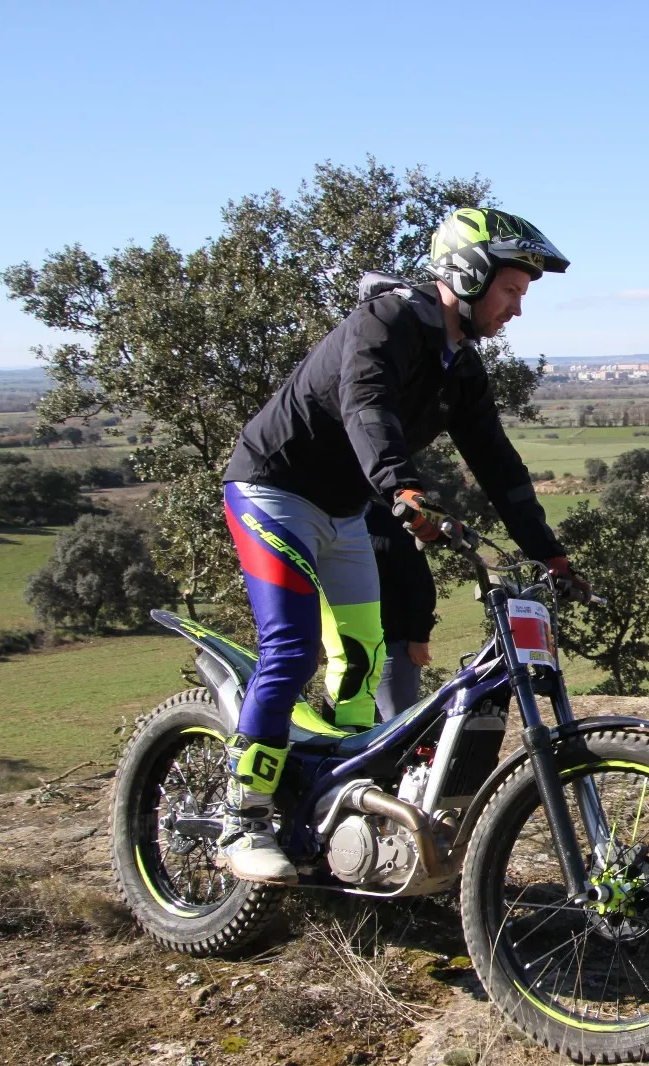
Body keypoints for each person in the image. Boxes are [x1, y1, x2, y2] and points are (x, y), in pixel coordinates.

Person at [217, 207, 589, 884]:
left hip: (345, 509)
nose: (516, 310)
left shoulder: (462, 370)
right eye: (511, 291)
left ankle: (334, 815)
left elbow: (500, 469)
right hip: (271, 489)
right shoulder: (384, 323)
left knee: (359, 659)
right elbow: (367, 409)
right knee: (293, 647)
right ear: (469, 274)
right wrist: (404, 490)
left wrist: (549, 553)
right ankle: (245, 820)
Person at [368, 503, 435, 720]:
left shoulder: (388, 522)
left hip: (393, 649)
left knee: (396, 727)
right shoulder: (326, 522)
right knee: (348, 733)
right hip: (345, 652)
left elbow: (419, 583)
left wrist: (418, 636)